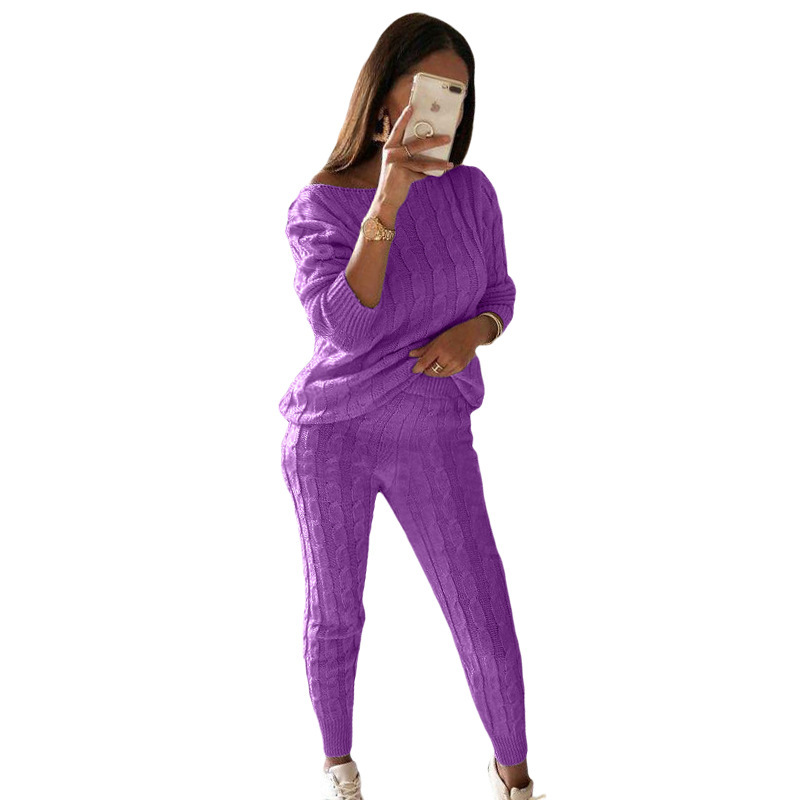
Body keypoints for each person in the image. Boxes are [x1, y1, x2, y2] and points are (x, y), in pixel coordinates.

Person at [278, 14, 545, 800]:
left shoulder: (472, 191)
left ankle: (516, 778)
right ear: (384, 89)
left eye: (456, 91)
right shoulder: (319, 205)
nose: (440, 104)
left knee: (482, 608)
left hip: (433, 431)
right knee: (336, 612)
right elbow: (346, 328)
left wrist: (474, 332)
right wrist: (388, 198)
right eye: (426, 84)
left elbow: (500, 292)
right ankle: (340, 769)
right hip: (330, 435)